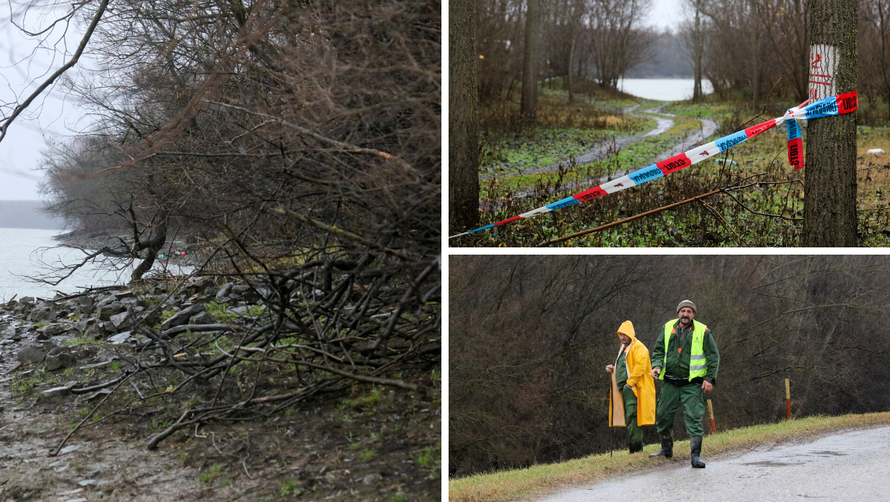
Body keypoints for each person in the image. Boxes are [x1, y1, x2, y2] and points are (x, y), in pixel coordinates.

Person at [649, 300, 720, 468]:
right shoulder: (667, 328)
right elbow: (658, 350)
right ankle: (666, 448)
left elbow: (713, 356)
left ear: (693, 314)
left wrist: (709, 379)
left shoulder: (703, 331)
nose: (685, 314)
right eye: (683, 311)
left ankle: (696, 456)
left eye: (689, 311)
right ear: (678, 313)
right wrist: (656, 366)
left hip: (692, 384)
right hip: (670, 382)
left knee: (694, 418)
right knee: (663, 416)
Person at [606, 320, 656, 454]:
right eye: (620, 335)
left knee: (633, 416)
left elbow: (640, 367)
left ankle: (636, 448)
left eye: (624, 334)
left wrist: (630, 383)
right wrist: (613, 369)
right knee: (628, 417)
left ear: (630, 334)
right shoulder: (623, 348)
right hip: (624, 389)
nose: (622, 337)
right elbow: (627, 366)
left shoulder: (639, 347)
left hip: (634, 389)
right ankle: (634, 446)